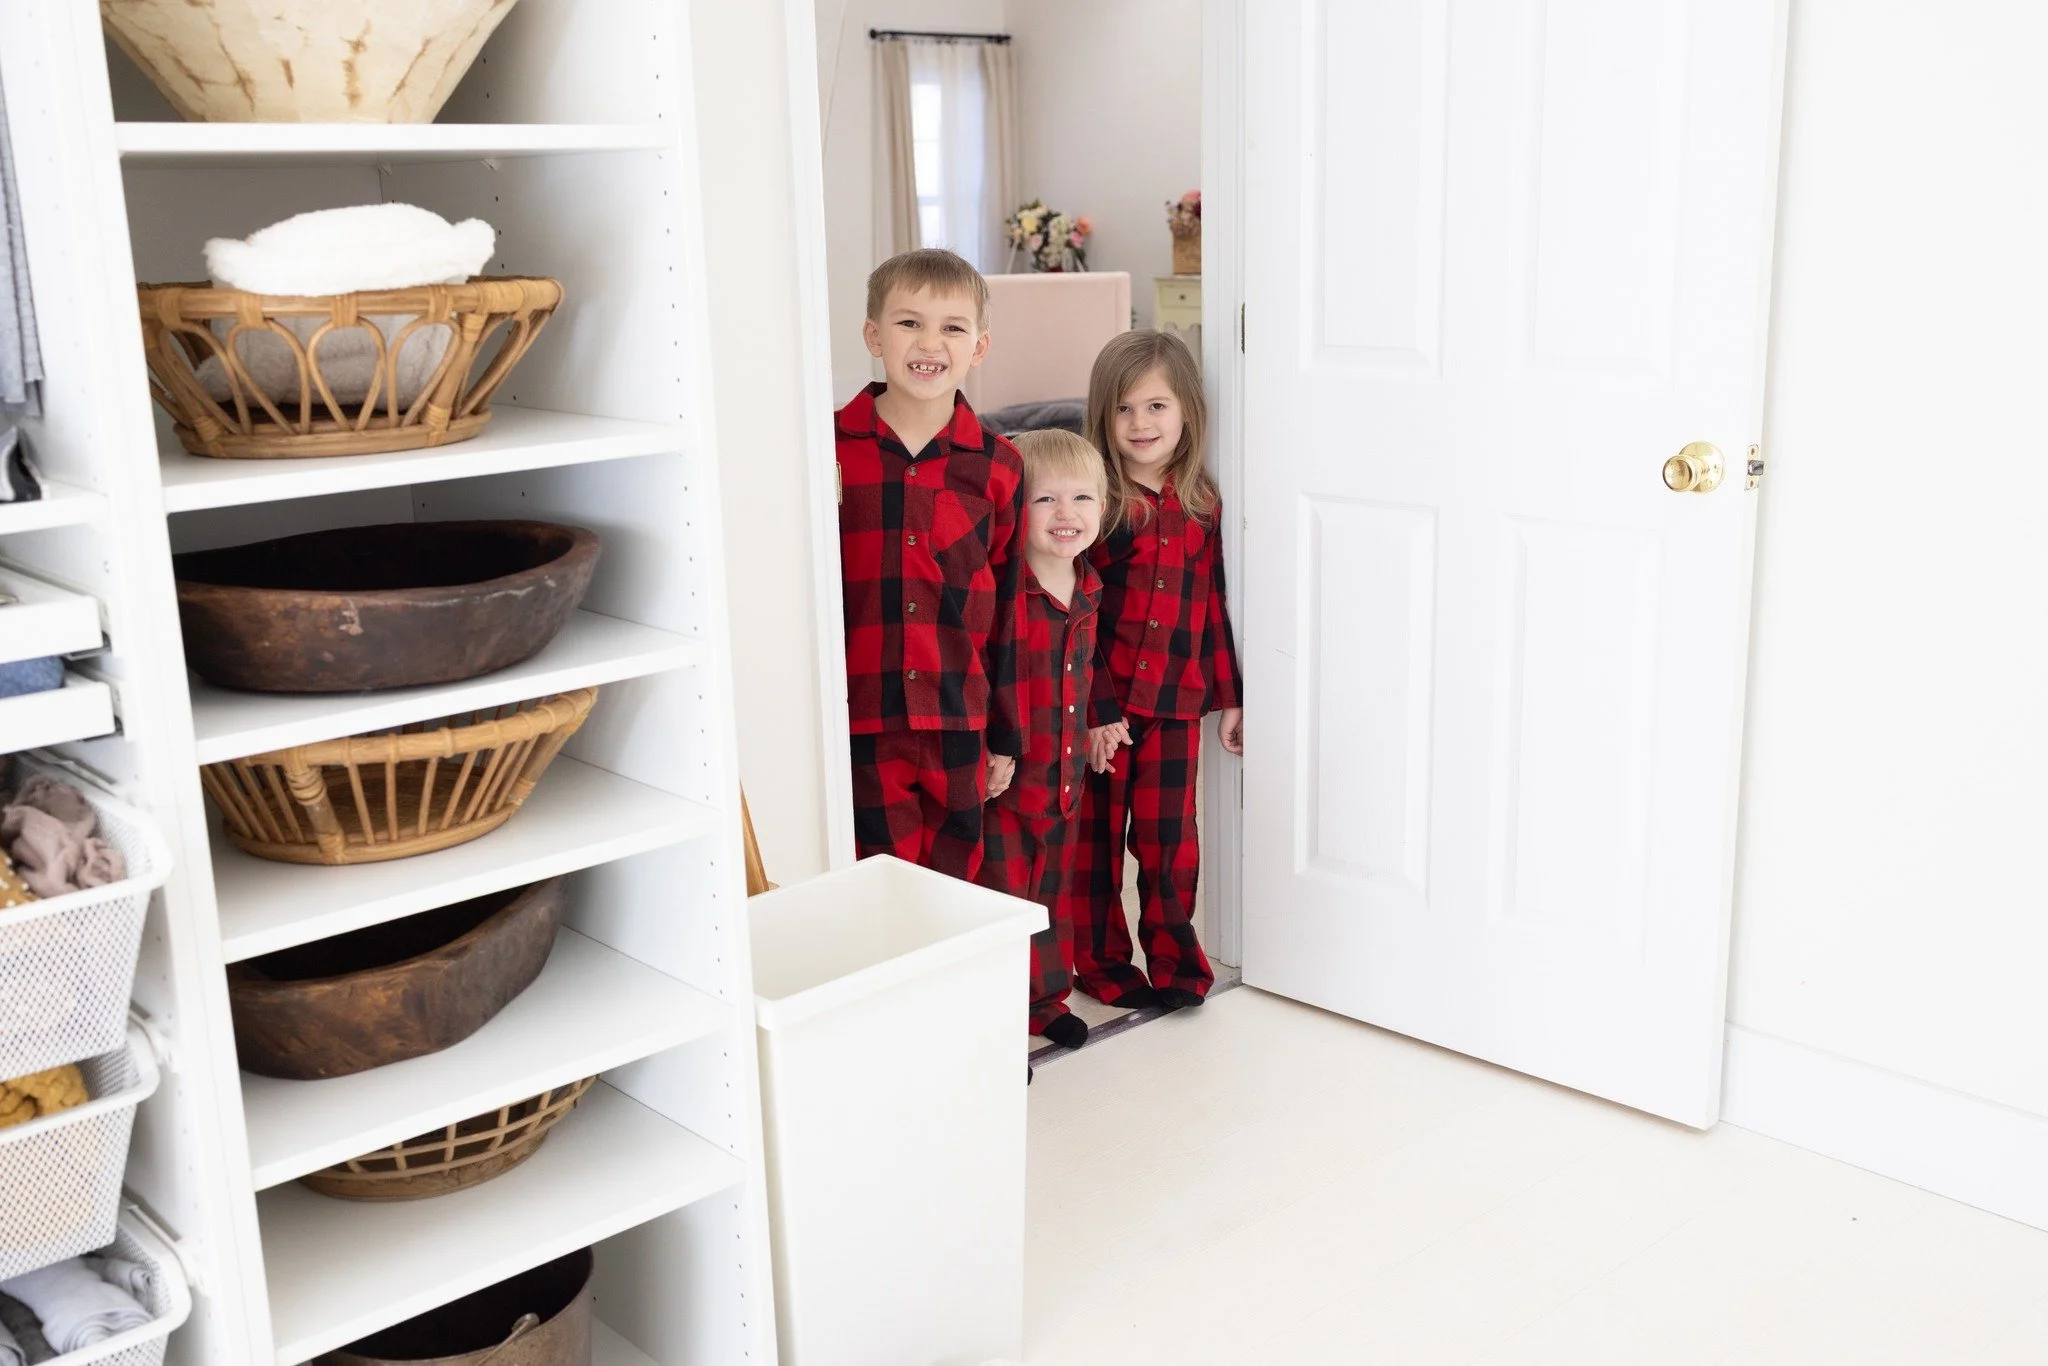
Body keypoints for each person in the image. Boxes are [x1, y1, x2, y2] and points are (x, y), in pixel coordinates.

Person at [1066, 330, 1244, 1013]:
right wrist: (1095, 707)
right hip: (1103, 713)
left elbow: (1212, 608)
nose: (1140, 424)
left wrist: (1230, 697)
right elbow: (1077, 613)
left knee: (1170, 846)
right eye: (1123, 410)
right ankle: (1102, 961)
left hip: (1173, 707)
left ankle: (1175, 959)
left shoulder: (1202, 503)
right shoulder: (1097, 504)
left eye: (1156, 407)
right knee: (1098, 845)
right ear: (1103, 417)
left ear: (1187, 413)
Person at [836, 249, 1023, 881]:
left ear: (980, 345)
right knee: (879, 883)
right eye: (909, 322)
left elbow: (1008, 610)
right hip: (860, 714)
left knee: (953, 884)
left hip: (959, 716)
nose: (930, 343)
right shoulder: (827, 448)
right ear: (873, 335)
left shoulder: (998, 466)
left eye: (953, 327)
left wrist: (1005, 732)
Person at [976, 430, 1109, 1053]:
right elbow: (984, 679)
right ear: (1015, 510)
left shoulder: (1089, 589)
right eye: (1045, 500)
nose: (1066, 515)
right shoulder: (1006, 595)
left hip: (1066, 775)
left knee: (1054, 889)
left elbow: (1085, 670)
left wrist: (1095, 725)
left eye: (1082, 498)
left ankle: (1045, 998)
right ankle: (996, 1009)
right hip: (1009, 780)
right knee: (1005, 894)